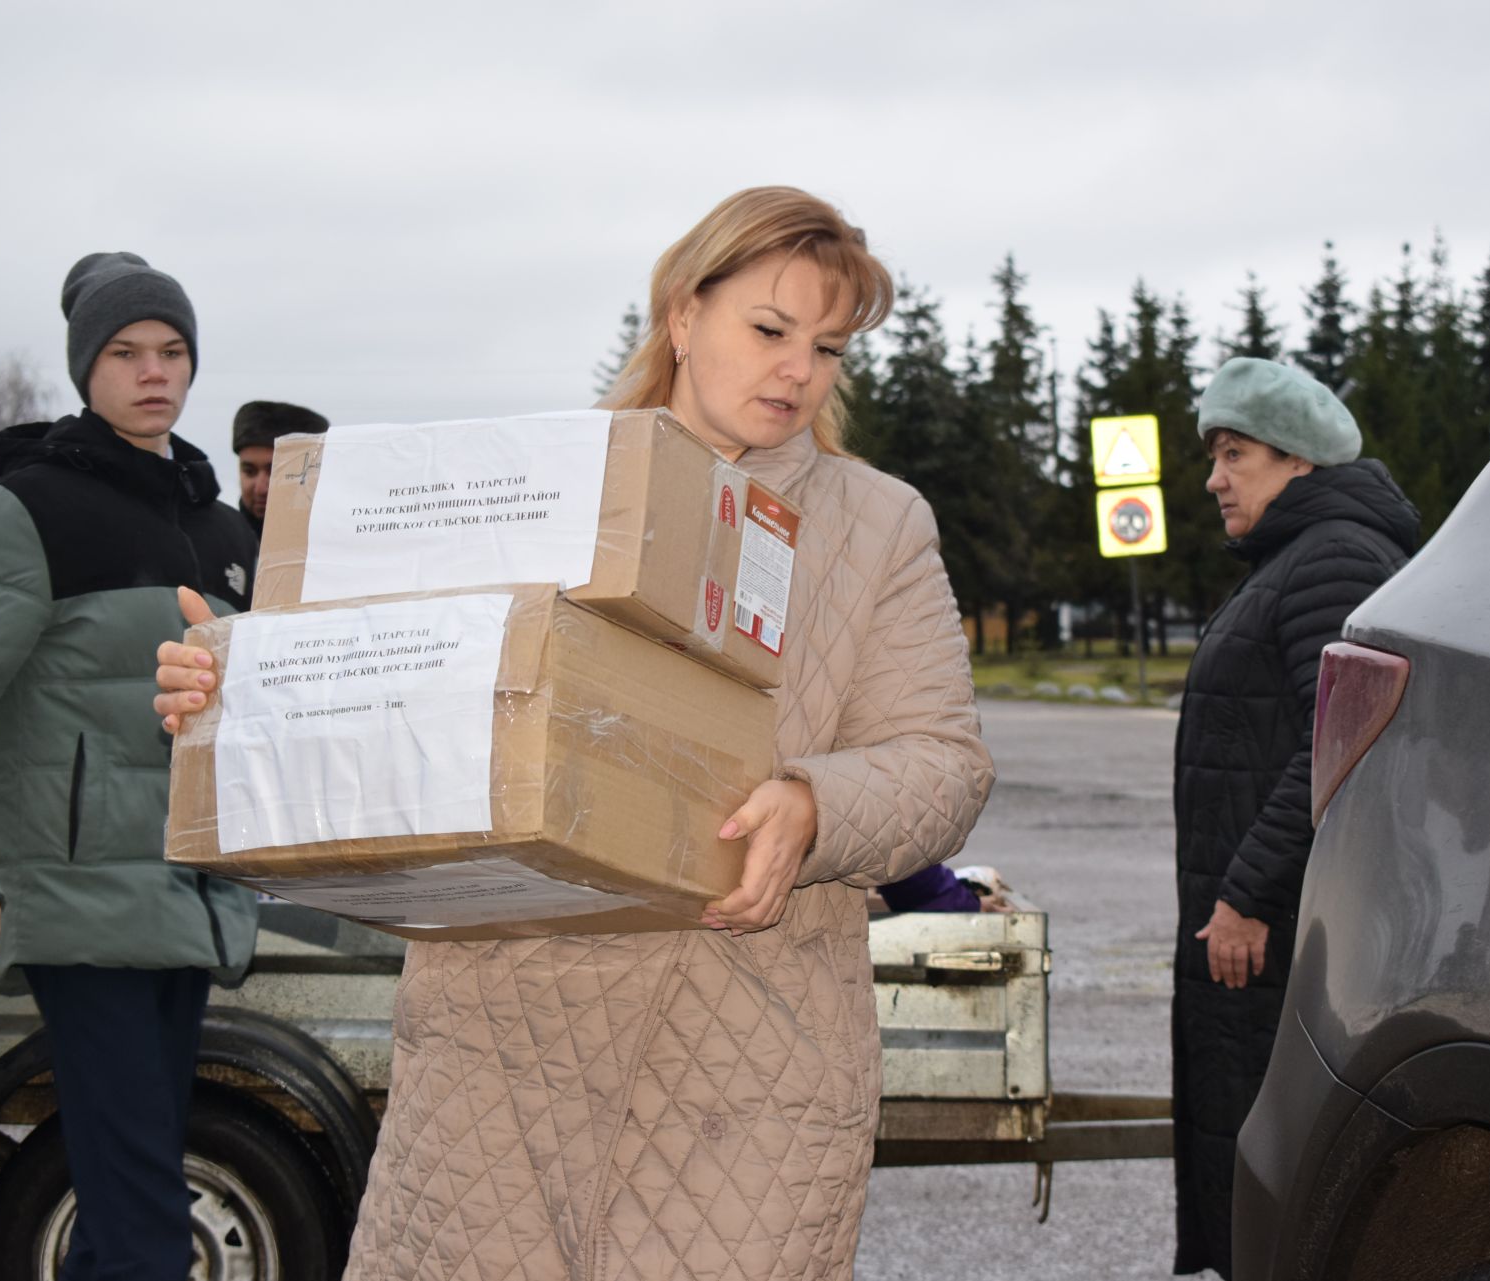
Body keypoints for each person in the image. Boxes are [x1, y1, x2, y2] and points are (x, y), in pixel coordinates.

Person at [156, 187, 996, 1281]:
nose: (800, 369)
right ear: (682, 317)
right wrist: (232, 688)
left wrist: (815, 805)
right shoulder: (531, 485)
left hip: (744, 1068)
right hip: (497, 1057)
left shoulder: (877, 525)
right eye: (771, 330)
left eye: (830, 346)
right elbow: (392, 694)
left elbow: (944, 763)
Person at [0, 253, 260, 1281]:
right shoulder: (25, 511)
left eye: (173, 351)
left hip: (191, 901)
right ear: (86, 367)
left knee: (123, 1203)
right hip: (75, 905)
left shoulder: (223, 533)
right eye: (127, 352)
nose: (153, 372)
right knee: (142, 1225)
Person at [1170, 357, 1419, 1277]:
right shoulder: (1294, 561)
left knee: (1274, 1168)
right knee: (1246, 1154)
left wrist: (1248, 893)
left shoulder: (1337, 558)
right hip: (1260, 932)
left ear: (1300, 461)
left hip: (1277, 933)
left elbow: (1338, 739)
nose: (1214, 477)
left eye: (1234, 453)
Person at [232, 399, 327, 536]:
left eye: (275, 472)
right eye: (250, 472)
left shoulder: (338, 546)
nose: (260, 488)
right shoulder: (218, 539)